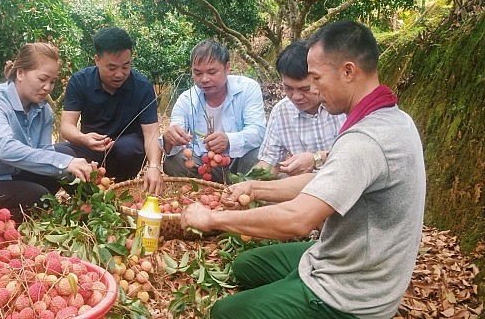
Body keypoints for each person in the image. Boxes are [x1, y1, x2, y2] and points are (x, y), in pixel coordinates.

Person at [180, 21, 426, 319]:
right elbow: (322, 180)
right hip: (343, 255)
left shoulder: (366, 139)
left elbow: (298, 219)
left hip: (352, 294)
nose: (315, 91)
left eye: (317, 79)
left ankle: (302, 297)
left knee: (224, 312)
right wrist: (254, 187)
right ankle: (290, 288)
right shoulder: (391, 118)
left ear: (348, 72)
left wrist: (212, 219)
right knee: (246, 266)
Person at [0, 42, 94, 222]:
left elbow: (45, 153)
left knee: (66, 154)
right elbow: (5, 149)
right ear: (20, 73)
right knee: (40, 194)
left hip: (12, 175)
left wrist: (79, 168)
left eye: (53, 81)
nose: (48, 87)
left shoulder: (44, 110)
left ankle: (92, 208)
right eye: (42, 79)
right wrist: (64, 164)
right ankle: (5, 219)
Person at [55, 26, 162, 194]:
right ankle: (88, 199)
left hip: (125, 153)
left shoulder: (142, 87)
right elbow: (67, 127)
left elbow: (152, 133)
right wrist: (84, 139)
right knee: (59, 153)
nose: (119, 74)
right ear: (97, 60)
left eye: (125, 66)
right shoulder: (79, 82)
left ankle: (120, 193)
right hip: (90, 150)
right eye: (112, 68)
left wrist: (154, 166)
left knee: (130, 148)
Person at [160, 39, 267, 183]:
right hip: (205, 165)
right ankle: (212, 185)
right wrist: (170, 138)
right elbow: (176, 131)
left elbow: (258, 131)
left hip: (240, 161)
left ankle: (245, 184)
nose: (204, 79)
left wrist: (229, 140)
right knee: (174, 162)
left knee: (260, 155)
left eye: (212, 72)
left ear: (227, 67)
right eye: (197, 73)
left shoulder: (247, 88)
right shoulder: (187, 99)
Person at [255, 40, 346, 177]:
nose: (296, 97)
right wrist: (247, 184)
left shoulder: (343, 106)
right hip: (302, 190)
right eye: (288, 88)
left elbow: (360, 153)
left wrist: (317, 159)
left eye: (305, 89)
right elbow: (269, 162)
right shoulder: (282, 112)